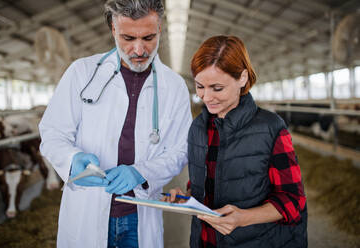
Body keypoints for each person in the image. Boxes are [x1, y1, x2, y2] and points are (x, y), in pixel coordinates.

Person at [39, 0, 192, 247]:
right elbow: (52, 133)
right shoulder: (82, 72)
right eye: (128, 38)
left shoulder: (174, 86)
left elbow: (180, 150)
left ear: (160, 28)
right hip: (86, 211)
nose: (139, 49)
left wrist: (141, 172)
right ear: (113, 29)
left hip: (139, 215)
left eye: (148, 37)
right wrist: (71, 160)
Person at [164, 35, 307, 247]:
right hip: (204, 240)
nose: (206, 97)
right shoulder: (197, 128)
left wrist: (243, 218)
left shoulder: (270, 128)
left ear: (242, 78)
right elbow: (203, 183)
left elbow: (293, 200)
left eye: (217, 88)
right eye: (200, 86)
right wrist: (185, 198)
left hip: (256, 241)